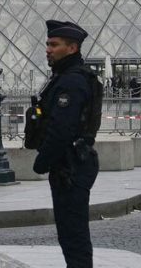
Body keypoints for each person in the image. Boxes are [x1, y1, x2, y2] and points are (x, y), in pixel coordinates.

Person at [31, 20, 100, 268]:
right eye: (48, 43)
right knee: (71, 234)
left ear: (72, 48)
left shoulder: (71, 82)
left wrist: (41, 163)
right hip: (71, 163)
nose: (47, 49)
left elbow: (62, 128)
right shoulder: (67, 77)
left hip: (71, 166)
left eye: (54, 44)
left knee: (73, 236)